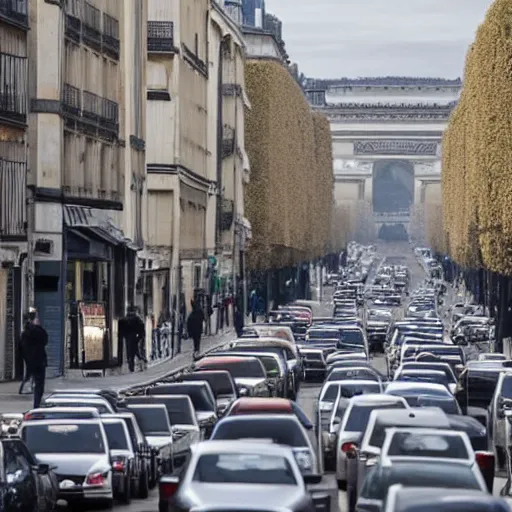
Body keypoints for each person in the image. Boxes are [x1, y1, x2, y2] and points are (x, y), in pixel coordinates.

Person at [20, 307, 48, 408]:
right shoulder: (38, 331)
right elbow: (45, 339)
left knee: (31, 378)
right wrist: (38, 327)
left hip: (30, 362)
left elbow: (21, 348)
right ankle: (37, 404)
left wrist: (26, 359)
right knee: (39, 385)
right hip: (39, 361)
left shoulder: (24, 334)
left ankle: (25, 388)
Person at [119, 305, 146, 372]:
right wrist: (140, 337)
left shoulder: (124, 319)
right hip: (135, 337)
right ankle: (142, 364)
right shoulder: (137, 318)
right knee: (136, 352)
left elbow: (121, 330)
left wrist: (123, 336)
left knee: (130, 353)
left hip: (128, 338)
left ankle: (131, 367)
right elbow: (142, 328)